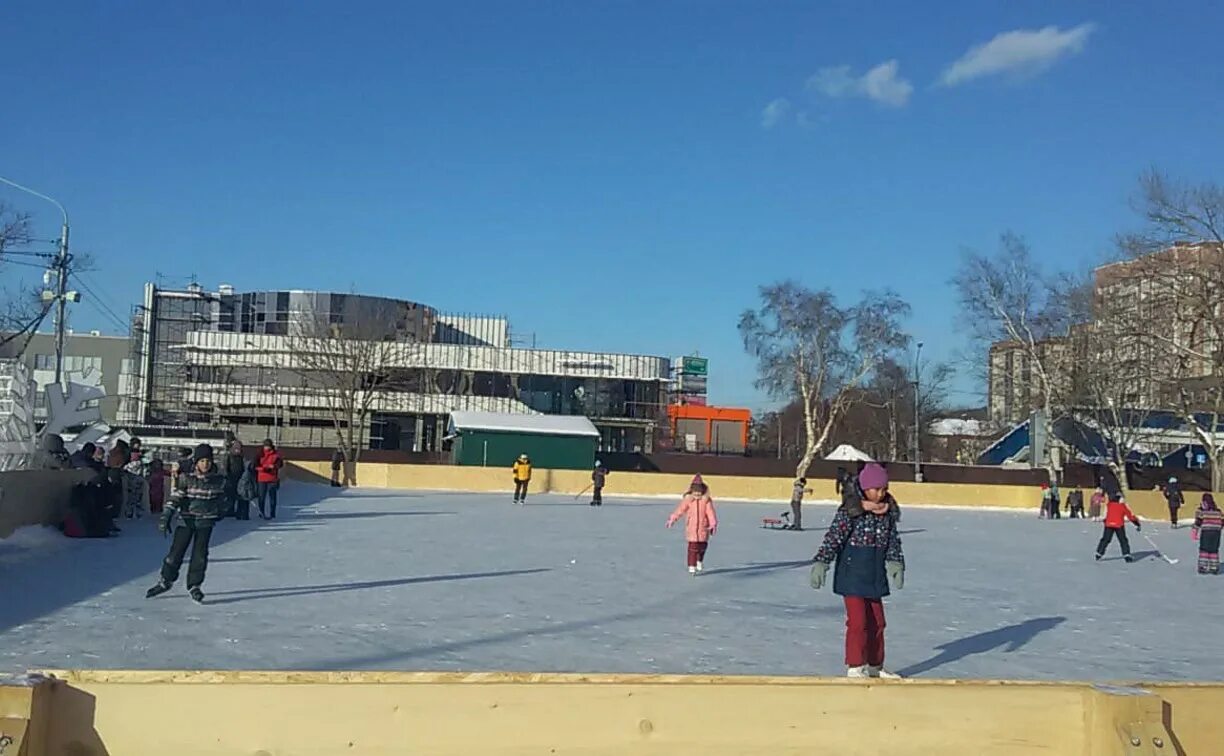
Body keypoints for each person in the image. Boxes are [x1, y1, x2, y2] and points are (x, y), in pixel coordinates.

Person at [810, 463, 904, 679]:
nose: (879, 494)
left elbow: (892, 541)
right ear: (864, 488)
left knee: (878, 622)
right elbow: (834, 537)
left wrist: (895, 562)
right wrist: (822, 562)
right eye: (875, 489)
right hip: (852, 574)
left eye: (883, 488)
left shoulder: (887, 513)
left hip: (874, 574)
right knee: (858, 621)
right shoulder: (851, 511)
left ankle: (875, 665)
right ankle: (855, 665)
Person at [146, 444, 227, 604]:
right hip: (186, 521)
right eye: (202, 460)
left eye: (208, 460)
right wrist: (166, 516)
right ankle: (166, 580)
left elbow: (223, 500)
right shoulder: (187, 478)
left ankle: (194, 585)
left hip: (205, 522)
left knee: (200, 555)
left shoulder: (218, 481)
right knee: (175, 554)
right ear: (196, 462)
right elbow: (175, 498)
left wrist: (221, 511)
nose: (205, 464)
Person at [666, 475, 718, 575]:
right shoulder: (688, 500)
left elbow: (711, 513)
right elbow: (680, 510)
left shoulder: (706, 501)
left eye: (699, 491)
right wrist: (672, 518)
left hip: (703, 528)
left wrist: (713, 524)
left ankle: (699, 561)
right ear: (691, 491)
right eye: (695, 491)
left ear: (702, 491)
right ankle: (691, 566)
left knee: (702, 546)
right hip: (692, 528)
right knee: (692, 547)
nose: (697, 493)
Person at [1096, 491, 1141, 563]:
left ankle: (1099, 553)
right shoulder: (1123, 506)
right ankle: (1126, 555)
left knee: (1105, 539)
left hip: (1109, 525)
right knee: (1123, 540)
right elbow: (1130, 516)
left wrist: (1105, 521)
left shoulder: (1109, 505)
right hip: (1119, 525)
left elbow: (1105, 515)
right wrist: (1136, 523)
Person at [1193, 493, 1223, 575]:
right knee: (1214, 549)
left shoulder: (1202, 510)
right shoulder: (1218, 510)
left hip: (1206, 532)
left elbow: (1198, 521)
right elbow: (1222, 520)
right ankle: (1214, 567)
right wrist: (1219, 527)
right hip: (1216, 532)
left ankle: (1203, 566)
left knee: (1204, 548)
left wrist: (1194, 531)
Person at [256, 439, 284, 519]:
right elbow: (255, 464)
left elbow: (279, 464)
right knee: (261, 496)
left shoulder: (276, 454)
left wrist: (274, 467)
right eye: (265, 446)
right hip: (262, 477)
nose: (266, 448)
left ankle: (272, 513)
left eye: (267, 446)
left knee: (272, 496)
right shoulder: (259, 454)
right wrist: (263, 468)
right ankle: (261, 512)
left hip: (272, 478)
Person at [221, 438, 248, 519]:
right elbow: (225, 467)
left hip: (240, 479)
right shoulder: (228, 456)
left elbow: (244, 466)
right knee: (230, 496)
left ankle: (240, 512)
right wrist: (227, 477)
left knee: (240, 496)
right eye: (236, 448)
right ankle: (230, 510)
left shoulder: (242, 457)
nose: (238, 450)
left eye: (239, 448)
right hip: (231, 478)